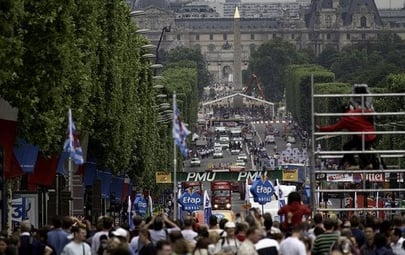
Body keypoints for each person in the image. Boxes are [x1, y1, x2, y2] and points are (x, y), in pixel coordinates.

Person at [317, 104, 376, 170]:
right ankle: (367, 163)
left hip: (363, 137)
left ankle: (356, 164)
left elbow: (333, 128)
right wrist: (371, 110)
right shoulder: (357, 111)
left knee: (348, 147)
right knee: (359, 147)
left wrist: (321, 129)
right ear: (350, 108)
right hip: (371, 134)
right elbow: (368, 112)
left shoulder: (344, 120)